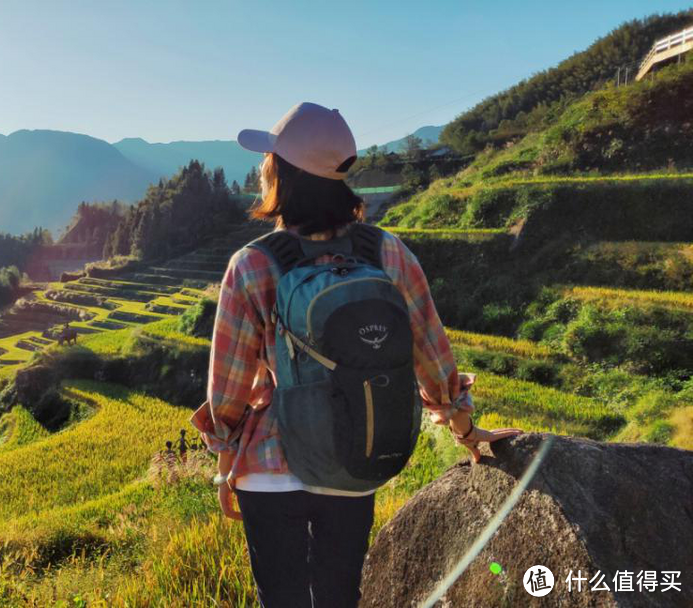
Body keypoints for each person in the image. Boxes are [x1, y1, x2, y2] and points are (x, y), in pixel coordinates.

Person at [190, 102, 521, 608]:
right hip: (356, 456)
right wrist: (466, 432)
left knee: (281, 599)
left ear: (284, 173)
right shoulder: (386, 252)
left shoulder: (252, 264)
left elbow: (227, 392)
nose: (263, 169)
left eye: (269, 160)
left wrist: (226, 462)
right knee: (340, 596)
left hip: (270, 468)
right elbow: (432, 354)